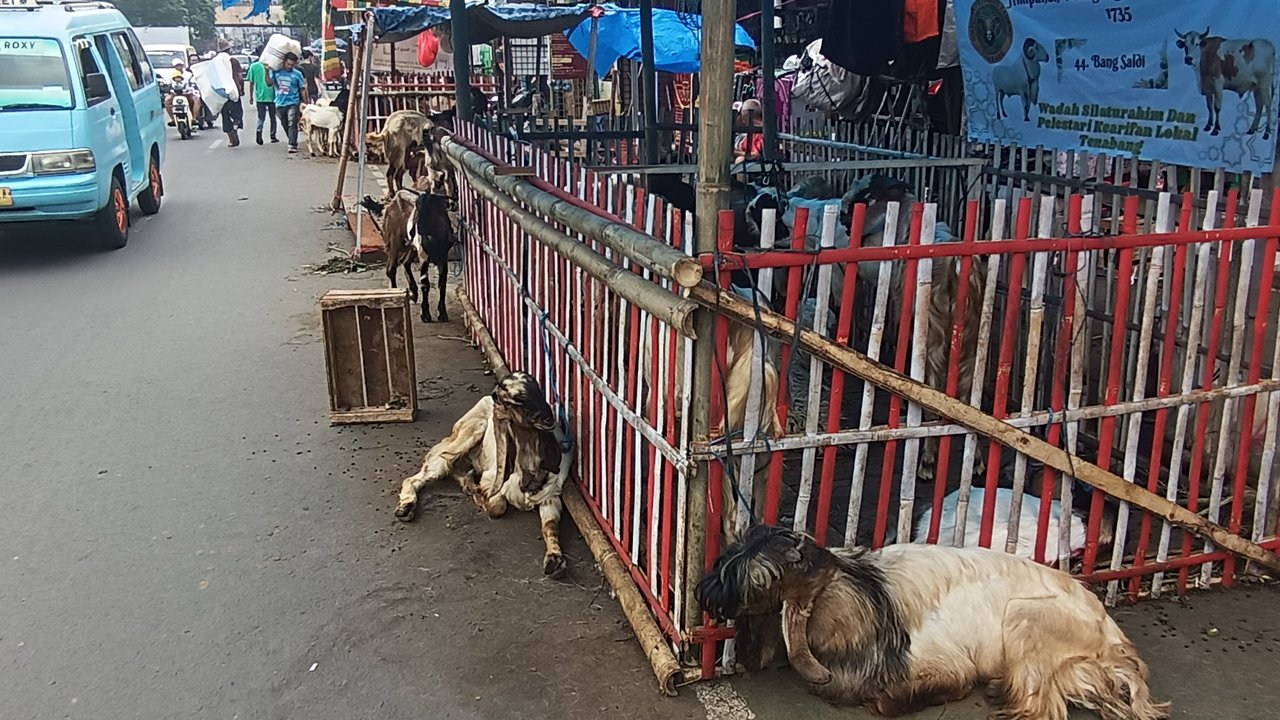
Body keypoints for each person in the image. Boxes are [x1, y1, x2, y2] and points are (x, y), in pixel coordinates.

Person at [269, 52, 309, 153]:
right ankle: (291, 139)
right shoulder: (276, 72)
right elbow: (269, 84)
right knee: (284, 123)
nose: (290, 66)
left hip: (293, 102)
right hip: (279, 102)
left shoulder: (297, 74)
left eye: (292, 65)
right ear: (284, 62)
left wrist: (305, 102)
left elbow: (302, 89)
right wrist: (266, 72)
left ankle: (292, 144)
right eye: (288, 64)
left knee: (292, 123)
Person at [215, 38, 245, 147]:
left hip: (221, 93)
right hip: (234, 92)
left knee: (225, 116)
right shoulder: (234, 61)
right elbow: (240, 78)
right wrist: (242, 89)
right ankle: (236, 126)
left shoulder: (215, 62)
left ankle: (232, 140)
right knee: (237, 114)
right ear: (229, 50)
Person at [246, 47, 277, 145]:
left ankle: (259, 131)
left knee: (261, 117)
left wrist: (251, 96)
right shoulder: (271, 66)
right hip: (272, 95)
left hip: (260, 96)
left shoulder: (253, 66)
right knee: (273, 117)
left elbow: (251, 83)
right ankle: (273, 136)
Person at [164, 58, 202, 128]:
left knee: (196, 100)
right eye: (177, 66)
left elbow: (194, 83)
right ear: (174, 67)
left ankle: (194, 118)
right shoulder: (171, 75)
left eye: (180, 65)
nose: (179, 67)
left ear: (183, 65)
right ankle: (173, 120)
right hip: (175, 95)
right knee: (167, 101)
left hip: (188, 94)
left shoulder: (189, 75)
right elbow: (168, 85)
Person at [733, 98, 765, 163]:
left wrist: (734, 153)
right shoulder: (754, 131)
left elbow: (755, 155)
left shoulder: (758, 133)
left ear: (744, 115)